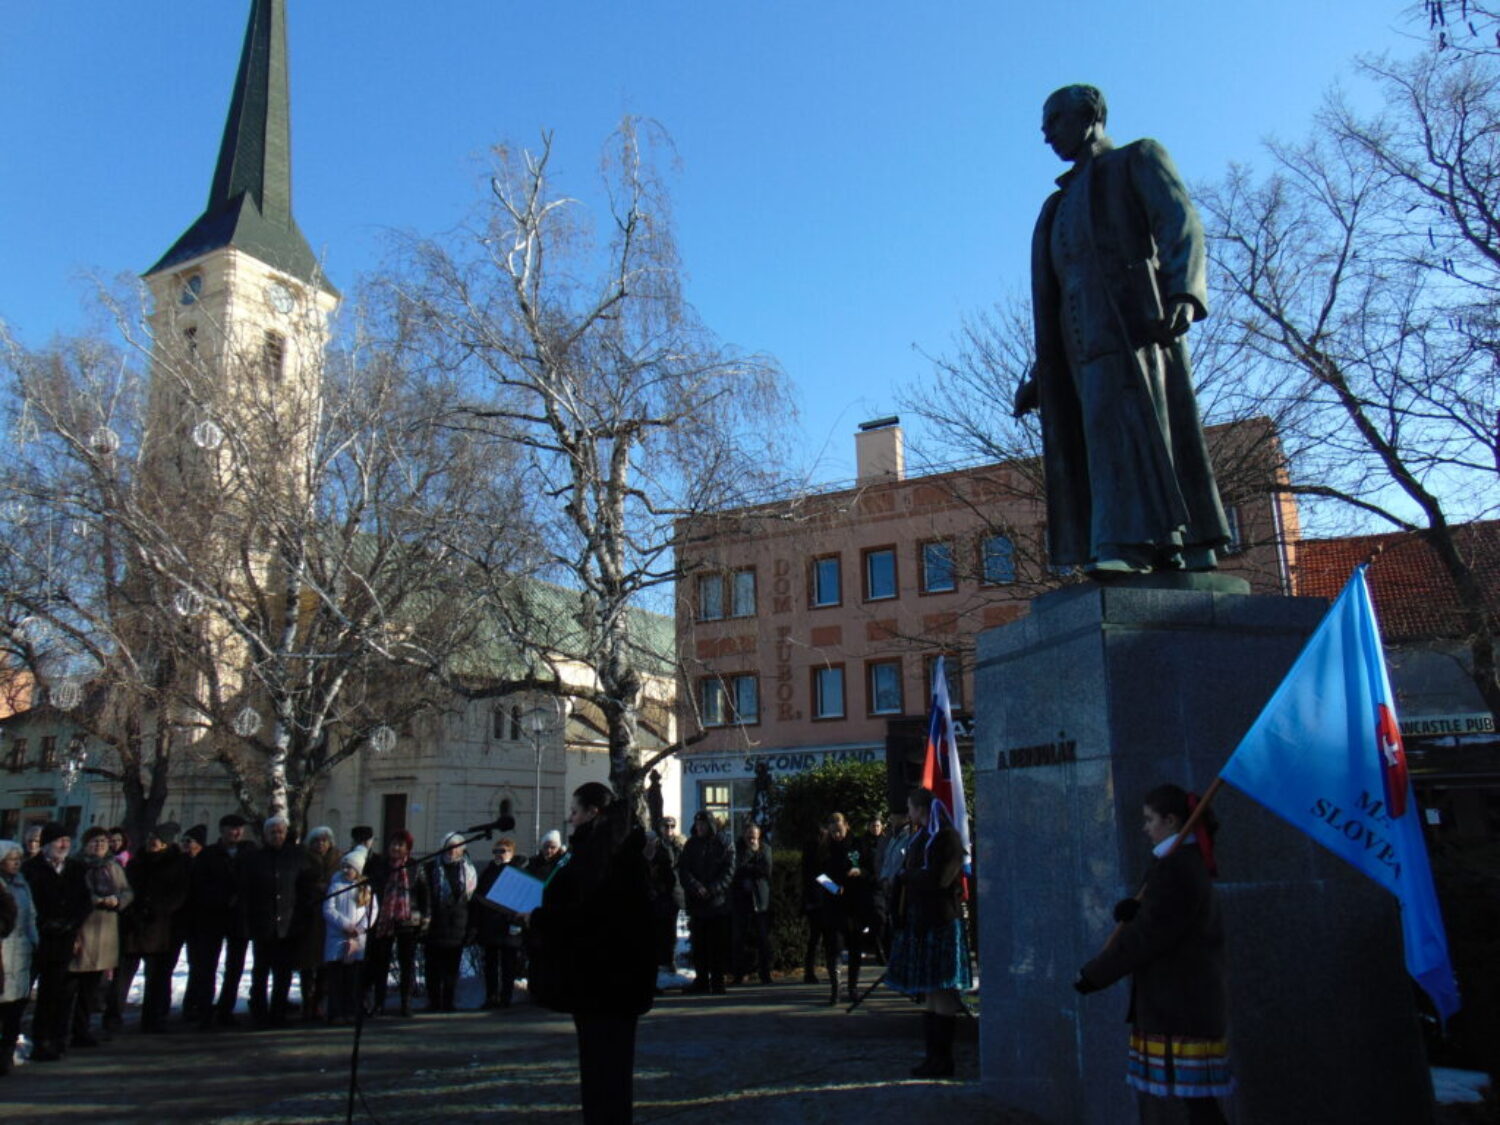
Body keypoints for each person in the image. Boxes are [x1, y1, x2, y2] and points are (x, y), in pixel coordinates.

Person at [1013, 83, 1230, 577]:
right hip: (1078, 348)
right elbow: (1057, 293)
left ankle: (1130, 545)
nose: (1047, 136)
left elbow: (1181, 221)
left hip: (1134, 327)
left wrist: (1184, 292)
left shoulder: (1137, 158)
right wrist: (1044, 376)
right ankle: (1157, 545)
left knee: (1131, 433)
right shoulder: (1056, 204)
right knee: (1095, 444)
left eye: (1055, 123)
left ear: (1089, 115)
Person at [1075, 784, 1232, 1124]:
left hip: (1180, 1001)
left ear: (1171, 820)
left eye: (1150, 820)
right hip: (1182, 999)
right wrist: (1137, 909)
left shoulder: (1175, 868)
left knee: (1198, 1104)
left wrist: (1097, 973)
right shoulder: (1176, 863)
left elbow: (1150, 936)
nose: (1145, 828)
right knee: (1195, 1102)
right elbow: (1155, 921)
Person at [526, 781, 655, 1125]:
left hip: (600, 980)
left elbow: (585, 918)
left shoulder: (599, 857)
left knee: (602, 1076)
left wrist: (537, 917)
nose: (570, 820)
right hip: (618, 982)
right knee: (611, 1076)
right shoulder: (621, 853)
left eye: (574, 812)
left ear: (593, 813)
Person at [886, 787, 972, 1077]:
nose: (908, 813)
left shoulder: (947, 838)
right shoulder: (921, 837)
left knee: (943, 989)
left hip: (941, 922)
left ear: (920, 809)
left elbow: (940, 878)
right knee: (931, 992)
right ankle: (932, 1057)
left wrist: (908, 876)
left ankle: (944, 1059)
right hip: (923, 921)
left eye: (910, 807)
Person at [22, 823, 90, 1060]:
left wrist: (71, 924)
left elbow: (84, 900)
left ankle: (49, 1041)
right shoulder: (30, 868)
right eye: (60, 841)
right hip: (36, 939)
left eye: (68, 842)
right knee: (22, 993)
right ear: (47, 844)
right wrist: (43, 923)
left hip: (63, 940)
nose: (64, 846)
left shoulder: (76, 868)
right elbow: (27, 902)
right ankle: (18, 1039)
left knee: (55, 994)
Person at [242, 814, 313, 1028]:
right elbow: (247, 893)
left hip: (289, 925)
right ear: (265, 835)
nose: (277, 835)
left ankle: (278, 1012)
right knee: (260, 972)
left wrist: (301, 918)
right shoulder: (255, 859)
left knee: (283, 973)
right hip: (263, 924)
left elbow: (304, 890)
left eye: (280, 831)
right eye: (272, 832)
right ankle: (259, 1012)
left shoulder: (296, 857)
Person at [184, 813, 254, 1029]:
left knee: (235, 967)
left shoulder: (249, 853)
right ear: (222, 831)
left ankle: (226, 1009)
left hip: (240, 917)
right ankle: (205, 1010)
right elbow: (198, 885)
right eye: (232, 829)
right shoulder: (209, 855)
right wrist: (221, 898)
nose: (237, 832)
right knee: (208, 965)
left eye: (240, 829)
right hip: (212, 916)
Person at [120, 822, 190, 1033]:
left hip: (161, 927)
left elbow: (179, 894)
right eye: (151, 838)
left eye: (158, 839)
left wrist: (158, 909)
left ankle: (153, 1017)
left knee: (157, 977)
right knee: (123, 975)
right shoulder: (137, 862)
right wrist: (132, 908)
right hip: (134, 925)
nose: (153, 842)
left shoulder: (177, 864)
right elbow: (127, 887)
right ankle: (114, 1014)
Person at [71, 825, 133, 1046]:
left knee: (92, 987)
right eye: (94, 842)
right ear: (86, 844)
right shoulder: (77, 866)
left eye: (103, 842)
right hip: (83, 928)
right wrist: (94, 900)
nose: (99, 846)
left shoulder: (113, 867)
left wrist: (118, 900)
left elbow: (126, 891)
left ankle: (83, 1029)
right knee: (72, 986)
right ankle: (66, 1028)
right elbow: (73, 894)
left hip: (106, 930)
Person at [364, 829, 427, 1018]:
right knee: (380, 963)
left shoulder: (415, 866)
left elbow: (424, 893)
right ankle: (379, 1003)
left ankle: (405, 1004)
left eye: (400, 845)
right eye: (393, 844)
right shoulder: (379, 866)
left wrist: (426, 916)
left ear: (408, 848)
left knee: (406, 964)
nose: (396, 848)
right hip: (383, 919)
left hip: (407, 920)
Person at [809, 812, 866, 1005]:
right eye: (832, 827)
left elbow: (866, 867)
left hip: (854, 903)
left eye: (839, 827)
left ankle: (853, 988)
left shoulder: (856, 845)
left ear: (846, 826)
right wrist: (833, 888)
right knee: (833, 948)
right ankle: (836, 989)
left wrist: (859, 872)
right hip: (833, 904)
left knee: (855, 947)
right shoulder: (823, 848)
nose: (836, 831)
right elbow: (817, 873)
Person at [678, 810, 734, 994]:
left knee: (717, 945)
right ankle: (701, 979)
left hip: (717, 904)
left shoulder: (723, 843)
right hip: (697, 903)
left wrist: (712, 889)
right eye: (698, 824)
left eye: (703, 824)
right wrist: (696, 887)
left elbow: (729, 870)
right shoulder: (691, 844)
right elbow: (684, 870)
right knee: (699, 945)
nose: (700, 828)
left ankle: (718, 981)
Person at [322, 847, 378, 1024]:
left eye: (350, 867)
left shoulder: (365, 888)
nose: (346, 870)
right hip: (337, 938)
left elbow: (372, 910)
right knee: (336, 979)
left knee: (353, 979)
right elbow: (328, 909)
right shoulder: (335, 885)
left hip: (356, 940)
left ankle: (351, 1010)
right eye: (344, 866)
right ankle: (335, 1012)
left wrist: (360, 928)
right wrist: (345, 925)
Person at [422, 831, 476, 1012]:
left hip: (457, 926)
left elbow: (471, 900)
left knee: (452, 968)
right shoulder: (431, 868)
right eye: (449, 847)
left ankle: (448, 1001)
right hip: (436, 924)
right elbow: (426, 895)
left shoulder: (468, 870)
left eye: (456, 847)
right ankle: (434, 1001)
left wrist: (471, 927)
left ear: (462, 850)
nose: (452, 851)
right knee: (433, 967)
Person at [472, 837, 526, 1009]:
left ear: (511, 853)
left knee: (508, 965)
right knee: (491, 964)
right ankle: (491, 996)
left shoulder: (516, 872)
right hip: (490, 925)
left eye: (502, 851)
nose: (498, 855)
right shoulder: (488, 872)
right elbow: (479, 897)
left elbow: (521, 899)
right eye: (495, 851)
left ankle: (506, 997)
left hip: (508, 925)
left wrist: (516, 922)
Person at [0, 838, 38, 1076]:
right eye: (11, 860)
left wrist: (35, 942)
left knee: (14, 1010)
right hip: (2, 953)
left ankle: (6, 1056)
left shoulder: (22, 884)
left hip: (20, 952)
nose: (16, 864)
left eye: (18, 860)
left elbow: (31, 915)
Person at [297, 825, 341, 1022]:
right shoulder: (302, 860)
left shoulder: (338, 861)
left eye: (323, 840)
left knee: (326, 964)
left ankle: (319, 1003)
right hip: (309, 917)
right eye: (316, 841)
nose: (320, 844)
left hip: (330, 920)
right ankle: (307, 1002)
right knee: (307, 963)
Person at [729, 822, 773, 986]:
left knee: (763, 938)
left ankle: (765, 973)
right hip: (741, 899)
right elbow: (736, 869)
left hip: (760, 900)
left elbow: (766, 870)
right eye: (749, 837)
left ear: (759, 835)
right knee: (739, 938)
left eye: (754, 837)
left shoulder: (765, 849)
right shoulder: (737, 849)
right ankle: (739, 974)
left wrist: (750, 869)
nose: (752, 840)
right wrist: (751, 863)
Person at [643, 827, 683, 978]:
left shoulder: (664, 855)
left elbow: (670, 878)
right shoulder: (640, 857)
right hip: (651, 901)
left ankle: (668, 962)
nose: (649, 844)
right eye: (647, 842)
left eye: (651, 841)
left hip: (666, 900)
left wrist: (659, 886)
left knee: (668, 933)